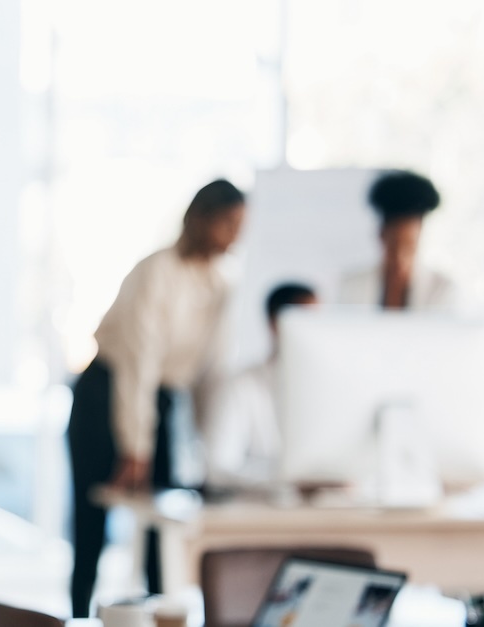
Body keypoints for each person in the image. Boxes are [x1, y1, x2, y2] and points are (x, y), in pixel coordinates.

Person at [67, 179, 246, 617]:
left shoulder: (221, 285)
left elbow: (209, 376)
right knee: (92, 525)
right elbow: (137, 366)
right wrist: (135, 446)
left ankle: (155, 619)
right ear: (202, 220)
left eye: (241, 225)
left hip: (161, 402)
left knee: (159, 524)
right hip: (104, 394)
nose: (235, 235)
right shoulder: (156, 271)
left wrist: (212, 455)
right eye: (227, 223)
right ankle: (79, 616)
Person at [204, 283, 317, 492]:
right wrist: (284, 482)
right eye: (306, 322)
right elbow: (217, 469)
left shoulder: (327, 391)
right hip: (258, 512)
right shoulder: (240, 386)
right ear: (275, 324)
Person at [340, 170, 456, 311]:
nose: (400, 257)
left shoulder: (442, 289)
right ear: (381, 235)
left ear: (420, 236)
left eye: (409, 245)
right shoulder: (351, 286)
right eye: (393, 245)